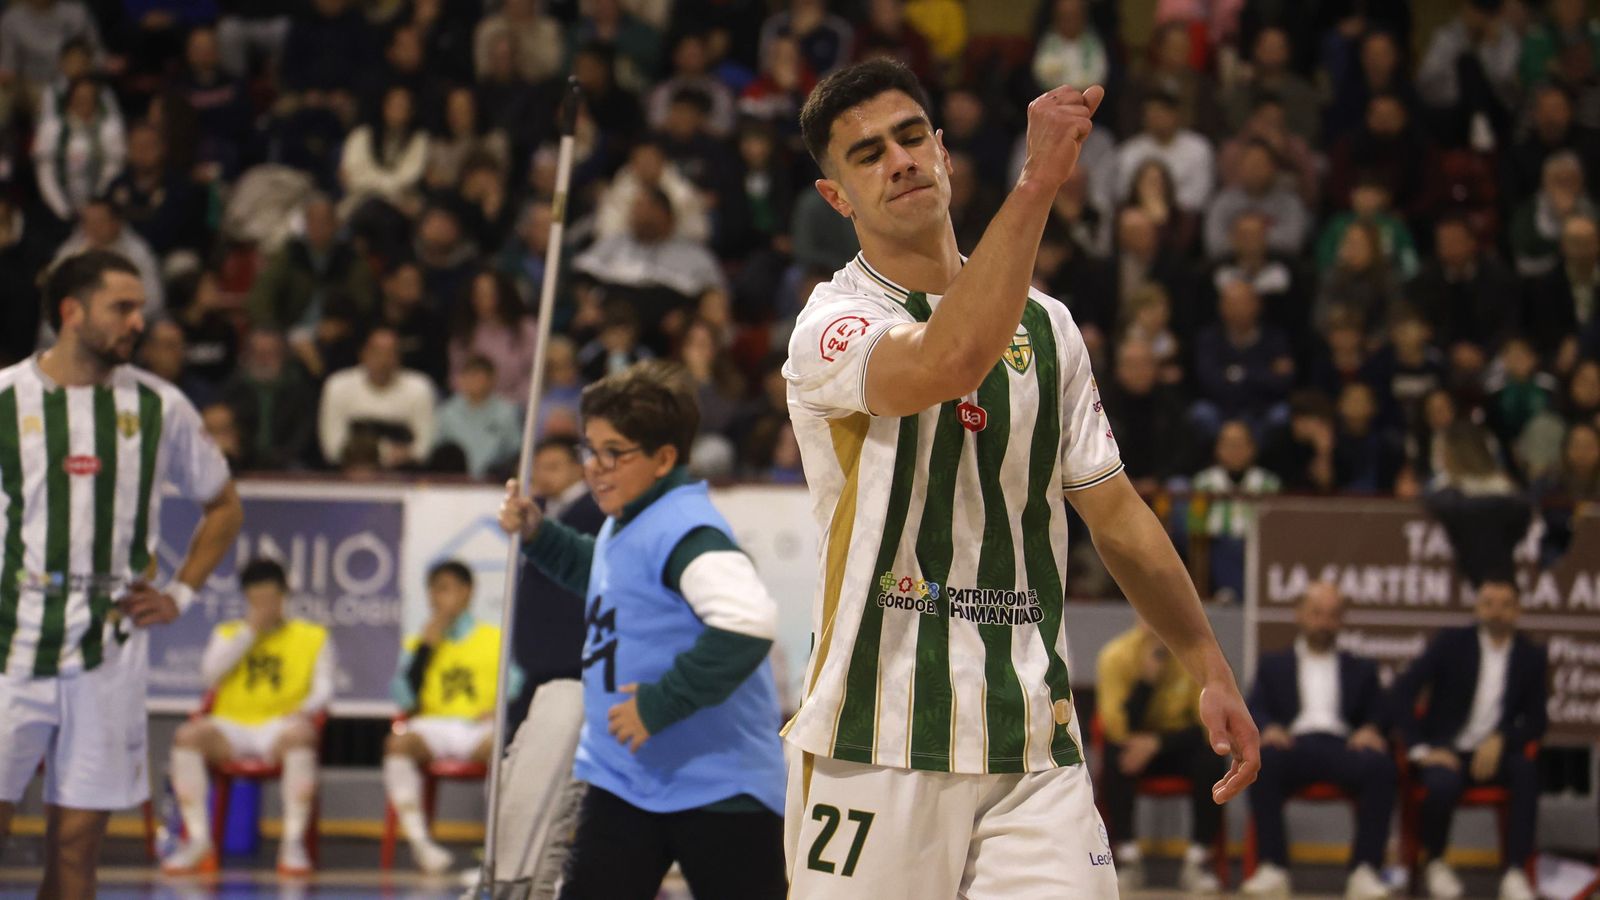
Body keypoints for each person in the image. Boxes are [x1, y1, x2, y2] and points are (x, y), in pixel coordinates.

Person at [779, 59, 1257, 898]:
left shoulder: (1051, 325)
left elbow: (1116, 514)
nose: (898, 159)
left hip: (1031, 737)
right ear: (837, 199)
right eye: (866, 155)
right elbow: (949, 357)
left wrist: (1208, 664)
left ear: (945, 154)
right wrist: (1039, 181)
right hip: (879, 731)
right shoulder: (831, 325)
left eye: (911, 135)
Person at [0, 250, 243, 900]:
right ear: (72, 312)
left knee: (77, 848)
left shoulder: (161, 406)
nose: (139, 322)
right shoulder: (4, 398)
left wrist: (180, 593)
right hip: (9, 646)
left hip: (109, 650)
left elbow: (223, 504)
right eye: (123, 308)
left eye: (141, 308)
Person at [498, 360, 787, 899]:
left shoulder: (687, 531)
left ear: (664, 459)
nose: (595, 468)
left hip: (718, 786)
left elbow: (749, 626)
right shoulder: (625, 520)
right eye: (590, 448)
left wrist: (660, 703)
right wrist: (540, 535)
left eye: (615, 453)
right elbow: (604, 573)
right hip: (627, 780)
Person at [160, 558, 335, 876]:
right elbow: (210, 676)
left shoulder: (312, 636)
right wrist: (249, 632)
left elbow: (324, 687)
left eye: (270, 599)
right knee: (187, 736)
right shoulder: (229, 632)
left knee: (302, 737)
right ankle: (198, 841)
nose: (264, 606)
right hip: (232, 727)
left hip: (280, 727)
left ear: (284, 595)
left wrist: (306, 709)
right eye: (257, 600)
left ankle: (293, 844)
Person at [1391, 579, 1547, 900]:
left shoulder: (1531, 656)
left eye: (1505, 604)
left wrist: (1502, 736)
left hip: (1496, 754)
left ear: (1518, 610)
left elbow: (1537, 721)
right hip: (1446, 750)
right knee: (1441, 783)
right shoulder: (1452, 643)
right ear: (1477, 606)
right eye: (1489, 603)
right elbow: (1402, 692)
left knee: (1526, 772)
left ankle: (1516, 870)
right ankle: (1435, 860)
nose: (1496, 612)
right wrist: (1422, 749)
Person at [1239, 583, 1395, 900]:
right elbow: (1254, 708)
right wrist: (1267, 728)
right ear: (1300, 615)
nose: (1323, 623)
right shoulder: (1273, 665)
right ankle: (1273, 868)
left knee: (1381, 768)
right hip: (1292, 746)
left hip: (1344, 747)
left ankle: (1364, 870)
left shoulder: (1361, 668)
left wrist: (1371, 728)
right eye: (1316, 613)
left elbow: (1381, 713)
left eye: (1332, 615)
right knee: (1261, 763)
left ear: (1341, 620)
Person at [383, 560, 523, 874]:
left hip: (477, 728)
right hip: (433, 726)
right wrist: (425, 651)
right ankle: (421, 845)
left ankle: (497, 852)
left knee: (501, 749)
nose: (438, 599)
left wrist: (500, 709)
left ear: (467, 592)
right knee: (397, 743)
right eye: (433, 591)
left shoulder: (493, 638)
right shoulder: (419, 642)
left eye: (446, 589)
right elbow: (403, 698)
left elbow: (516, 686)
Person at [1095, 617, 1228, 892]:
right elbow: (1116, 727)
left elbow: (1205, 727)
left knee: (1212, 757)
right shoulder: (1115, 656)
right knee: (1114, 755)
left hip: (1175, 747)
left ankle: (1198, 859)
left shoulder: (1192, 661)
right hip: (1133, 747)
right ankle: (1128, 857)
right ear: (1140, 622)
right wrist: (1146, 681)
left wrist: (1156, 743)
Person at [504, 435, 605, 734]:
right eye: (537, 467)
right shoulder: (538, 508)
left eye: (553, 466)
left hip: (571, 647)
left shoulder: (595, 510)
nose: (542, 475)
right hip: (541, 649)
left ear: (579, 469)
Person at [317, 327, 436, 469]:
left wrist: (407, 455)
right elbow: (332, 447)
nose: (383, 361)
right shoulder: (337, 385)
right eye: (377, 353)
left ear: (399, 357)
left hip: (403, 474)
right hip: (351, 473)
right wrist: (374, 456)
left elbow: (426, 446)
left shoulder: (420, 388)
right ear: (363, 354)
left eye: (390, 353)